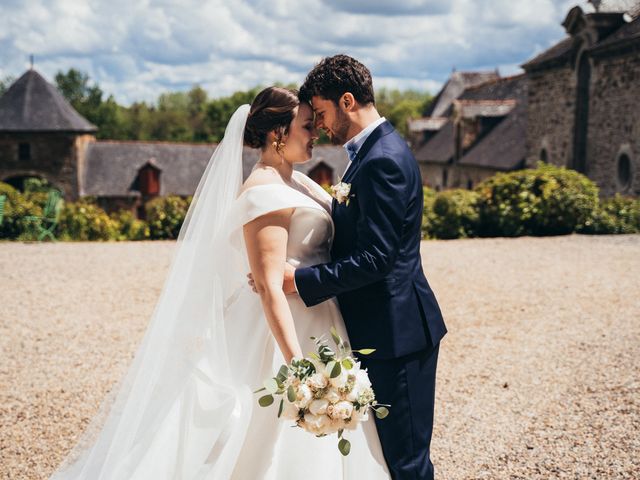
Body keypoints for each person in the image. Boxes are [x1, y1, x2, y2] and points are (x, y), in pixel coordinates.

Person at [49, 86, 389, 479]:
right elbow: (268, 287)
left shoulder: (301, 183)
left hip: (322, 318)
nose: (315, 134)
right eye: (307, 126)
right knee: (267, 437)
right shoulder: (265, 191)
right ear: (278, 133)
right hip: (283, 332)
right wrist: (298, 365)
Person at [254, 55, 448, 479]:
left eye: (320, 113)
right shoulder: (368, 154)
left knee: (407, 463)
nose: (319, 124)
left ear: (346, 101)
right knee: (386, 458)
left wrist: (298, 280)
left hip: (398, 336)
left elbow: (378, 258)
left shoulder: (383, 160)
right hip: (376, 329)